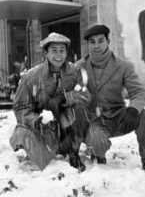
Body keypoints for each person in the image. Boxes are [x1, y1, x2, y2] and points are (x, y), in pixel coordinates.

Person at [75, 25, 145, 172]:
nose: (96, 45)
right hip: (96, 120)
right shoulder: (79, 67)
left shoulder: (124, 66)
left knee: (143, 115)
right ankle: (97, 155)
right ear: (88, 45)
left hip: (120, 117)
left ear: (108, 41)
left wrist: (132, 110)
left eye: (100, 41)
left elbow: (140, 92)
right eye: (92, 42)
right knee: (96, 142)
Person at [10, 33, 92, 171]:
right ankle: (43, 154)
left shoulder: (74, 72)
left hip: (67, 129)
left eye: (62, 50)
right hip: (41, 130)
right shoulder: (31, 77)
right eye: (54, 50)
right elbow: (20, 107)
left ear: (67, 53)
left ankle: (73, 152)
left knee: (81, 108)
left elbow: (86, 96)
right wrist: (36, 121)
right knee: (43, 162)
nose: (58, 55)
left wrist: (66, 97)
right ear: (45, 53)